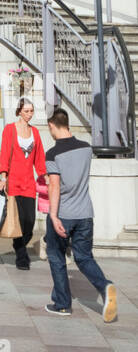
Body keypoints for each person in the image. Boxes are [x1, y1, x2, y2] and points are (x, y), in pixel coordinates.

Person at [44, 108, 117, 321]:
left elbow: (55, 186)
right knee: (84, 257)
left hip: (64, 213)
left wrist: (54, 216)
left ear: (52, 126)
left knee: (56, 256)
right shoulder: (86, 148)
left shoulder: (53, 154)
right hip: (85, 213)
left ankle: (62, 304)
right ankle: (105, 287)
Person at [0, 98, 47, 270]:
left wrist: (45, 177)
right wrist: (3, 178)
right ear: (19, 111)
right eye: (26, 111)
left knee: (30, 222)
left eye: (31, 111)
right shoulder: (10, 130)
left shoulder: (35, 132)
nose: (29, 114)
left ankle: (19, 245)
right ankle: (21, 257)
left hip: (29, 183)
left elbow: (40, 159)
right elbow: (4, 155)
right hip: (14, 183)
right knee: (18, 221)